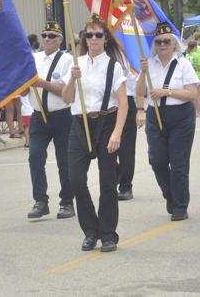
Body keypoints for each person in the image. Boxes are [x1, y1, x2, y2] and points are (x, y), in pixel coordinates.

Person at [61, 14, 127, 253]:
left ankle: (108, 233)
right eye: (89, 35)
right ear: (85, 38)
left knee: (107, 182)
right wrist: (72, 80)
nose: (93, 39)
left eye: (98, 34)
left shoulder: (113, 66)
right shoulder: (76, 63)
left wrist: (117, 132)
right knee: (76, 179)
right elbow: (67, 99)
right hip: (79, 124)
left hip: (106, 121)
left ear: (106, 39)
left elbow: (122, 103)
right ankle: (91, 230)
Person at [136, 23, 199, 221]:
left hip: (180, 116)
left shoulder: (183, 64)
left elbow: (192, 93)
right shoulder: (149, 63)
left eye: (167, 41)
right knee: (157, 160)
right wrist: (143, 73)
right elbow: (140, 91)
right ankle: (169, 194)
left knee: (178, 162)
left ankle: (180, 205)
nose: (162, 44)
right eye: (159, 42)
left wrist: (167, 92)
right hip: (156, 115)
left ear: (174, 44)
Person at [25, 21, 75, 220]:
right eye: (44, 35)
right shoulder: (32, 59)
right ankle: (40, 200)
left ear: (60, 39)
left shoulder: (67, 60)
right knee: (35, 157)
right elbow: (24, 88)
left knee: (65, 160)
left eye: (52, 36)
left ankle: (67, 201)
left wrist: (41, 83)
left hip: (62, 115)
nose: (47, 39)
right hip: (38, 116)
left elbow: (64, 91)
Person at [117, 53, 138, 201]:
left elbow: (137, 80)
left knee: (126, 148)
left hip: (127, 98)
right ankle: (116, 175)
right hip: (104, 102)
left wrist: (141, 108)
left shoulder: (130, 50)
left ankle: (125, 186)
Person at [185, 39, 200, 117]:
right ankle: (198, 112)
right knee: (198, 95)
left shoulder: (187, 55)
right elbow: (199, 67)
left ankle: (193, 111)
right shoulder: (197, 55)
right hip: (199, 76)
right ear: (195, 47)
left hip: (191, 77)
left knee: (192, 96)